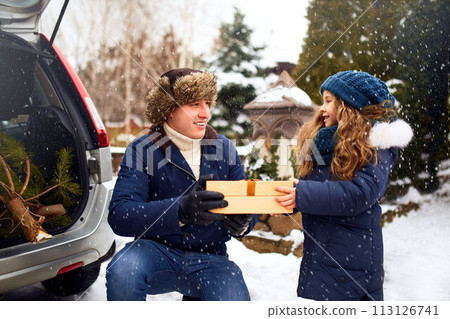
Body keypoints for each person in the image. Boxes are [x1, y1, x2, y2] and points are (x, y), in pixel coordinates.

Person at [106, 68, 258, 301]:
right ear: (168, 109)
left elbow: (247, 205)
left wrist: (244, 222)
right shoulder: (143, 149)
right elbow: (120, 215)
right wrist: (180, 210)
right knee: (124, 270)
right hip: (155, 252)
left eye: (207, 103)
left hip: (211, 259)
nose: (205, 113)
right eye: (194, 104)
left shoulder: (225, 148)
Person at [275, 70, 413, 301]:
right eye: (322, 101)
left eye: (329, 101)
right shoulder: (327, 142)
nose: (322, 108)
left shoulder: (375, 145)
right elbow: (322, 189)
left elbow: (360, 193)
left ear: (350, 106)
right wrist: (292, 197)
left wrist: (303, 195)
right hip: (323, 256)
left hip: (351, 268)